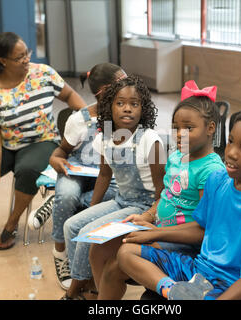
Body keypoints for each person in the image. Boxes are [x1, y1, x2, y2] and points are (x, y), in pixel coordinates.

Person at [117, 107, 241, 300]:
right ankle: (172, 291)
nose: (231, 153)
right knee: (127, 252)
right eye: (231, 142)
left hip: (230, 286)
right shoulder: (217, 180)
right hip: (199, 271)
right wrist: (153, 233)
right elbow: (200, 226)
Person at [89, 80, 226, 300]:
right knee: (99, 248)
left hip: (185, 244)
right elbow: (166, 196)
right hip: (160, 230)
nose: (179, 134)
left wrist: (153, 232)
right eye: (176, 128)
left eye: (188, 128)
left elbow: (204, 229)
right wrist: (147, 215)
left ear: (211, 128)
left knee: (116, 266)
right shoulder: (177, 158)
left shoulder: (211, 170)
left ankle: (176, 292)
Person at [0, 32, 86, 250]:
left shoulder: (43, 74)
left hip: (42, 140)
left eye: (27, 53)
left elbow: (69, 95)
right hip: (7, 144)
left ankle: (11, 223)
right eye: (19, 57)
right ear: (2, 61)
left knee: (27, 170)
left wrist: (88, 119)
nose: (26, 59)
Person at [60, 75, 166, 299]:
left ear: (143, 108)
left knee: (89, 233)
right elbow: (105, 175)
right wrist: (93, 209)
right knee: (72, 225)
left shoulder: (150, 140)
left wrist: (150, 216)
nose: (127, 109)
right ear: (109, 106)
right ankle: (87, 283)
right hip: (121, 200)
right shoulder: (104, 138)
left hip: (143, 206)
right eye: (120, 103)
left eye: (134, 104)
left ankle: (78, 290)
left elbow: (163, 192)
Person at [26, 63, 126, 289]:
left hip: (106, 176)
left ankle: (54, 203)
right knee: (69, 195)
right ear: (104, 92)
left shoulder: (126, 115)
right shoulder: (79, 120)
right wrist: (55, 160)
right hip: (78, 170)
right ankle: (61, 254)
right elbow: (61, 151)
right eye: (123, 84)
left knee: (119, 195)